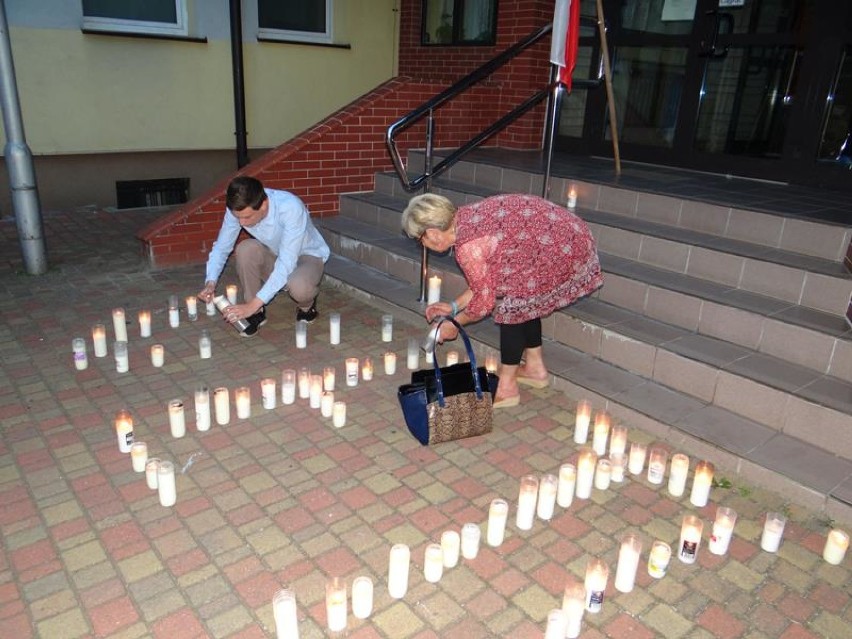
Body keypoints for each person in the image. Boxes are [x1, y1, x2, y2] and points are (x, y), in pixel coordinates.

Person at [402, 192, 603, 408]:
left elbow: (485, 303)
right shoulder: (465, 217)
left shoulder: (468, 247)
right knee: (525, 295)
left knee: (514, 308)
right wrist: (453, 306)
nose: (421, 245)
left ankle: (507, 388)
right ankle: (535, 369)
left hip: (563, 247)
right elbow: (487, 282)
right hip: (569, 234)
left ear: (432, 233)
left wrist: (454, 324)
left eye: (419, 239)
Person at [198, 176, 330, 337]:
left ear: (264, 205)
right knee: (245, 249)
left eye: (247, 217)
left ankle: (307, 307)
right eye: (238, 217)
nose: (242, 223)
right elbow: (221, 247)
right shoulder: (238, 209)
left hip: (307, 255)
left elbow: (287, 262)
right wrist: (210, 282)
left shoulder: (290, 207)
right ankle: (256, 313)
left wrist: (252, 304)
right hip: (274, 254)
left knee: (299, 286)